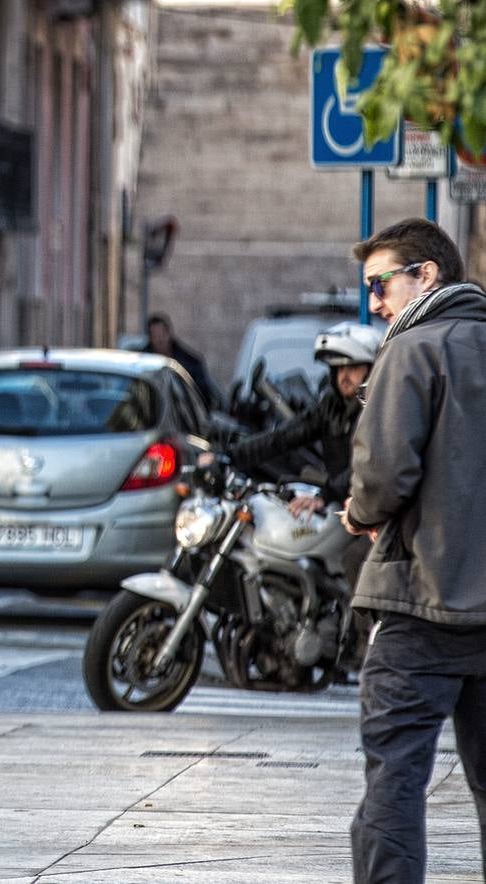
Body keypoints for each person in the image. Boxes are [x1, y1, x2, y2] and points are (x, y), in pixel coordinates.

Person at [338, 218, 486, 883]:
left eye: (379, 283)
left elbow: (382, 474)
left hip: (420, 598)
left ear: (425, 274)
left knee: (393, 783)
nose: (373, 302)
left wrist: (356, 512)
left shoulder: (413, 347)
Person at [214, 321, 381, 515]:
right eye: (338, 369)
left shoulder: (378, 410)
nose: (344, 377)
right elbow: (284, 436)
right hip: (344, 507)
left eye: (352, 368)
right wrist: (229, 457)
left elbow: (368, 464)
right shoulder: (332, 405)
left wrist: (326, 495)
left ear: (371, 369)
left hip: (370, 510)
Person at [144, 313, 218, 410]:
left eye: (162, 334)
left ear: (169, 334)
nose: (160, 340)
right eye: (155, 336)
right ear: (150, 338)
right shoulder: (142, 362)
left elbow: (203, 396)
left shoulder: (190, 363)